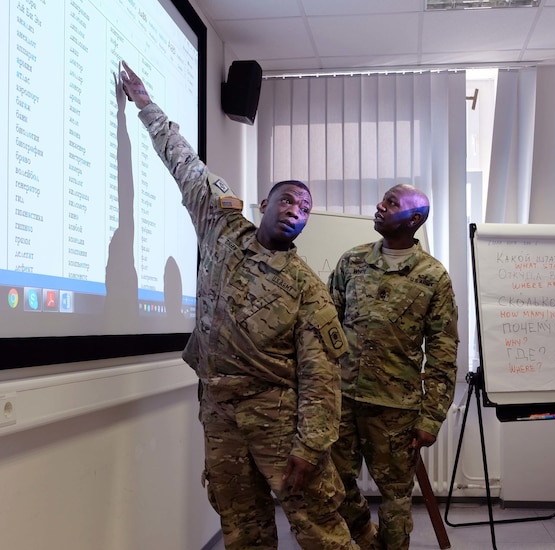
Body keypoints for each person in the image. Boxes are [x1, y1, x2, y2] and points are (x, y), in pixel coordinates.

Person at [118, 61, 357, 550]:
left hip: (278, 420)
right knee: (242, 526)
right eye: (289, 200)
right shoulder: (223, 228)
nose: (297, 211)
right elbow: (183, 161)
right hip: (220, 416)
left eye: (306, 210)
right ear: (262, 206)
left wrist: (311, 446)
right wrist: (145, 105)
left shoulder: (306, 288)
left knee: (319, 529)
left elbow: (321, 377)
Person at [327, 184, 460, 549]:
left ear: (414, 218)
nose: (380, 206)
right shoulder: (352, 262)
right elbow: (324, 330)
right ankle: (366, 538)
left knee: (396, 497)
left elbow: (443, 351)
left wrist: (431, 417)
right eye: (383, 200)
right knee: (335, 483)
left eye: (391, 202)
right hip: (343, 399)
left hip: (396, 407)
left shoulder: (433, 276)